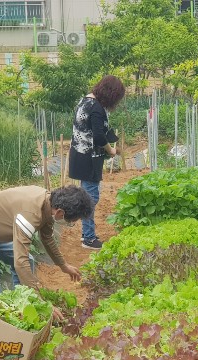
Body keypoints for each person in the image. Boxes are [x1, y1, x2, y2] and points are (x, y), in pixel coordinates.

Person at [0, 185, 93, 303]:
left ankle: (21, 302)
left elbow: (47, 238)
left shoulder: (48, 203)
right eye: (69, 220)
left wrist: (63, 265)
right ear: (60, 212)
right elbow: (20, 261)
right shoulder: (29, 214)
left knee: (29, 260)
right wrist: (39, 299)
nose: (69, 223)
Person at [68, 75, 126, 250]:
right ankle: (88, 238)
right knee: (91, 198)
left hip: (79, 156)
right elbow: (99, 136)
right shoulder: (97, 109)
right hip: (89, 159)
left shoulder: (85, 101)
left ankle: (87, 233)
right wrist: (111, 150)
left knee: (88, 196)